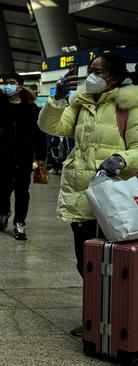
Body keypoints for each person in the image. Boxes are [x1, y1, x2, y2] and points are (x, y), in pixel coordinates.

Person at [37, 53, 138, 336]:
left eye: (98, 71)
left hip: (115, 197)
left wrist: (122, 159)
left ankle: (122, 321)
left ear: (114, 78)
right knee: (89, 263)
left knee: (119, 263)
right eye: (89, 70)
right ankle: (98, 317)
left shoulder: (129, 103)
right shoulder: (80, 101)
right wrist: (57, 99)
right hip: (81, 194)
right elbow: (51, 127)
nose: (91, 76)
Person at [0, 73, 47, 240]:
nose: (7, 85)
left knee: (22, 191)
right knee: (1, 190)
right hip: (4, 156)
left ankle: (20, 222)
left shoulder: (31, 109)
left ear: (20, 87)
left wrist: (40, 156)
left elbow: (39, 133)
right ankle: (4, 211)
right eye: (6, 82)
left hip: (25, 156)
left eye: (12, 82)